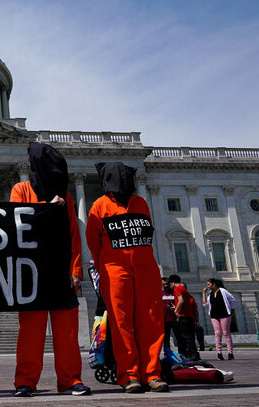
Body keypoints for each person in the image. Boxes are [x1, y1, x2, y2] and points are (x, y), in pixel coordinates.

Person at [9, 143, 91, 397]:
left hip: (60, 270)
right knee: (30, 332)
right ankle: (25, 381)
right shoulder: (20, 190)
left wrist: (76, 269)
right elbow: (15, 225)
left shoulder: (65, 197)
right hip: (31, 270)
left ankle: (70, 379)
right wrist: (47, 209)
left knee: (67, 331)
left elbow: (73, 236)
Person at [85, 162, 168, 393]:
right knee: (121, 323)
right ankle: (129, 374)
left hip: (145, 268)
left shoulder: (140, 202)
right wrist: (103, 265)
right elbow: (93, 241)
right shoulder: (99, 206)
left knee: (151, 321)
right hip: (115, 269)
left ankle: (152, 373)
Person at [202, 278, 236, 360]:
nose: (208, 286)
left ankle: (230, 352)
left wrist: (230, 309)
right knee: (217, 333)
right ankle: (219, 352)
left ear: (214, 285)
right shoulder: (209, 294)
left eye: (209, 284)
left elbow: (233, 299)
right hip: (214, 316)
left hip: (224, 315)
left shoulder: (223, 291)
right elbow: (204, 304)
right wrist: (204, 292)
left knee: (226, 333)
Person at [169, 275, 199, 361]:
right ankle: (193, 354)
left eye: (170, 283)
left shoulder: (177, 288)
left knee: (186, 337)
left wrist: (176, 311)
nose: (171, 285)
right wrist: (177, 307)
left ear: (173, 282)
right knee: (190, 336)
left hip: (183, 316)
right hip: (189, 316)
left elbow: (181, 300)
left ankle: (192, 355)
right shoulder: (184, 289)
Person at [161, 277, 177, 349]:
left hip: (175, 319)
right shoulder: (160, 293)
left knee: (178, 336)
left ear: (169, 284)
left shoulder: (174, 292)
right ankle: (167, 353)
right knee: (166, 338)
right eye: (164, 284)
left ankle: (183, 353)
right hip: (164, 320)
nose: (165, 286)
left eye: (167, 284)